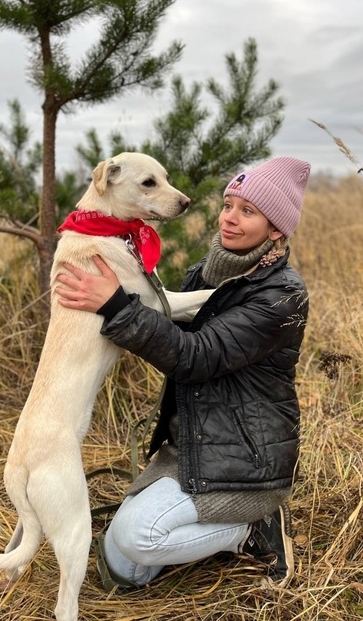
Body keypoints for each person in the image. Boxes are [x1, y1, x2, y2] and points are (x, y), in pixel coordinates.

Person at [55, 156, 311, 590]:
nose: (229, 218)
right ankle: (201, 532)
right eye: (229, 204)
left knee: (139, 538)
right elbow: (159, 325)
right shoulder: (205, 274)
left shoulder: (280, 296)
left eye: (248, 211)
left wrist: (115, 304)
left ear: (276, 230)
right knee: (120, 569)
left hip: (245, 460)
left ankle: (252, 528)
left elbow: (194, 356)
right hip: (194, 445)